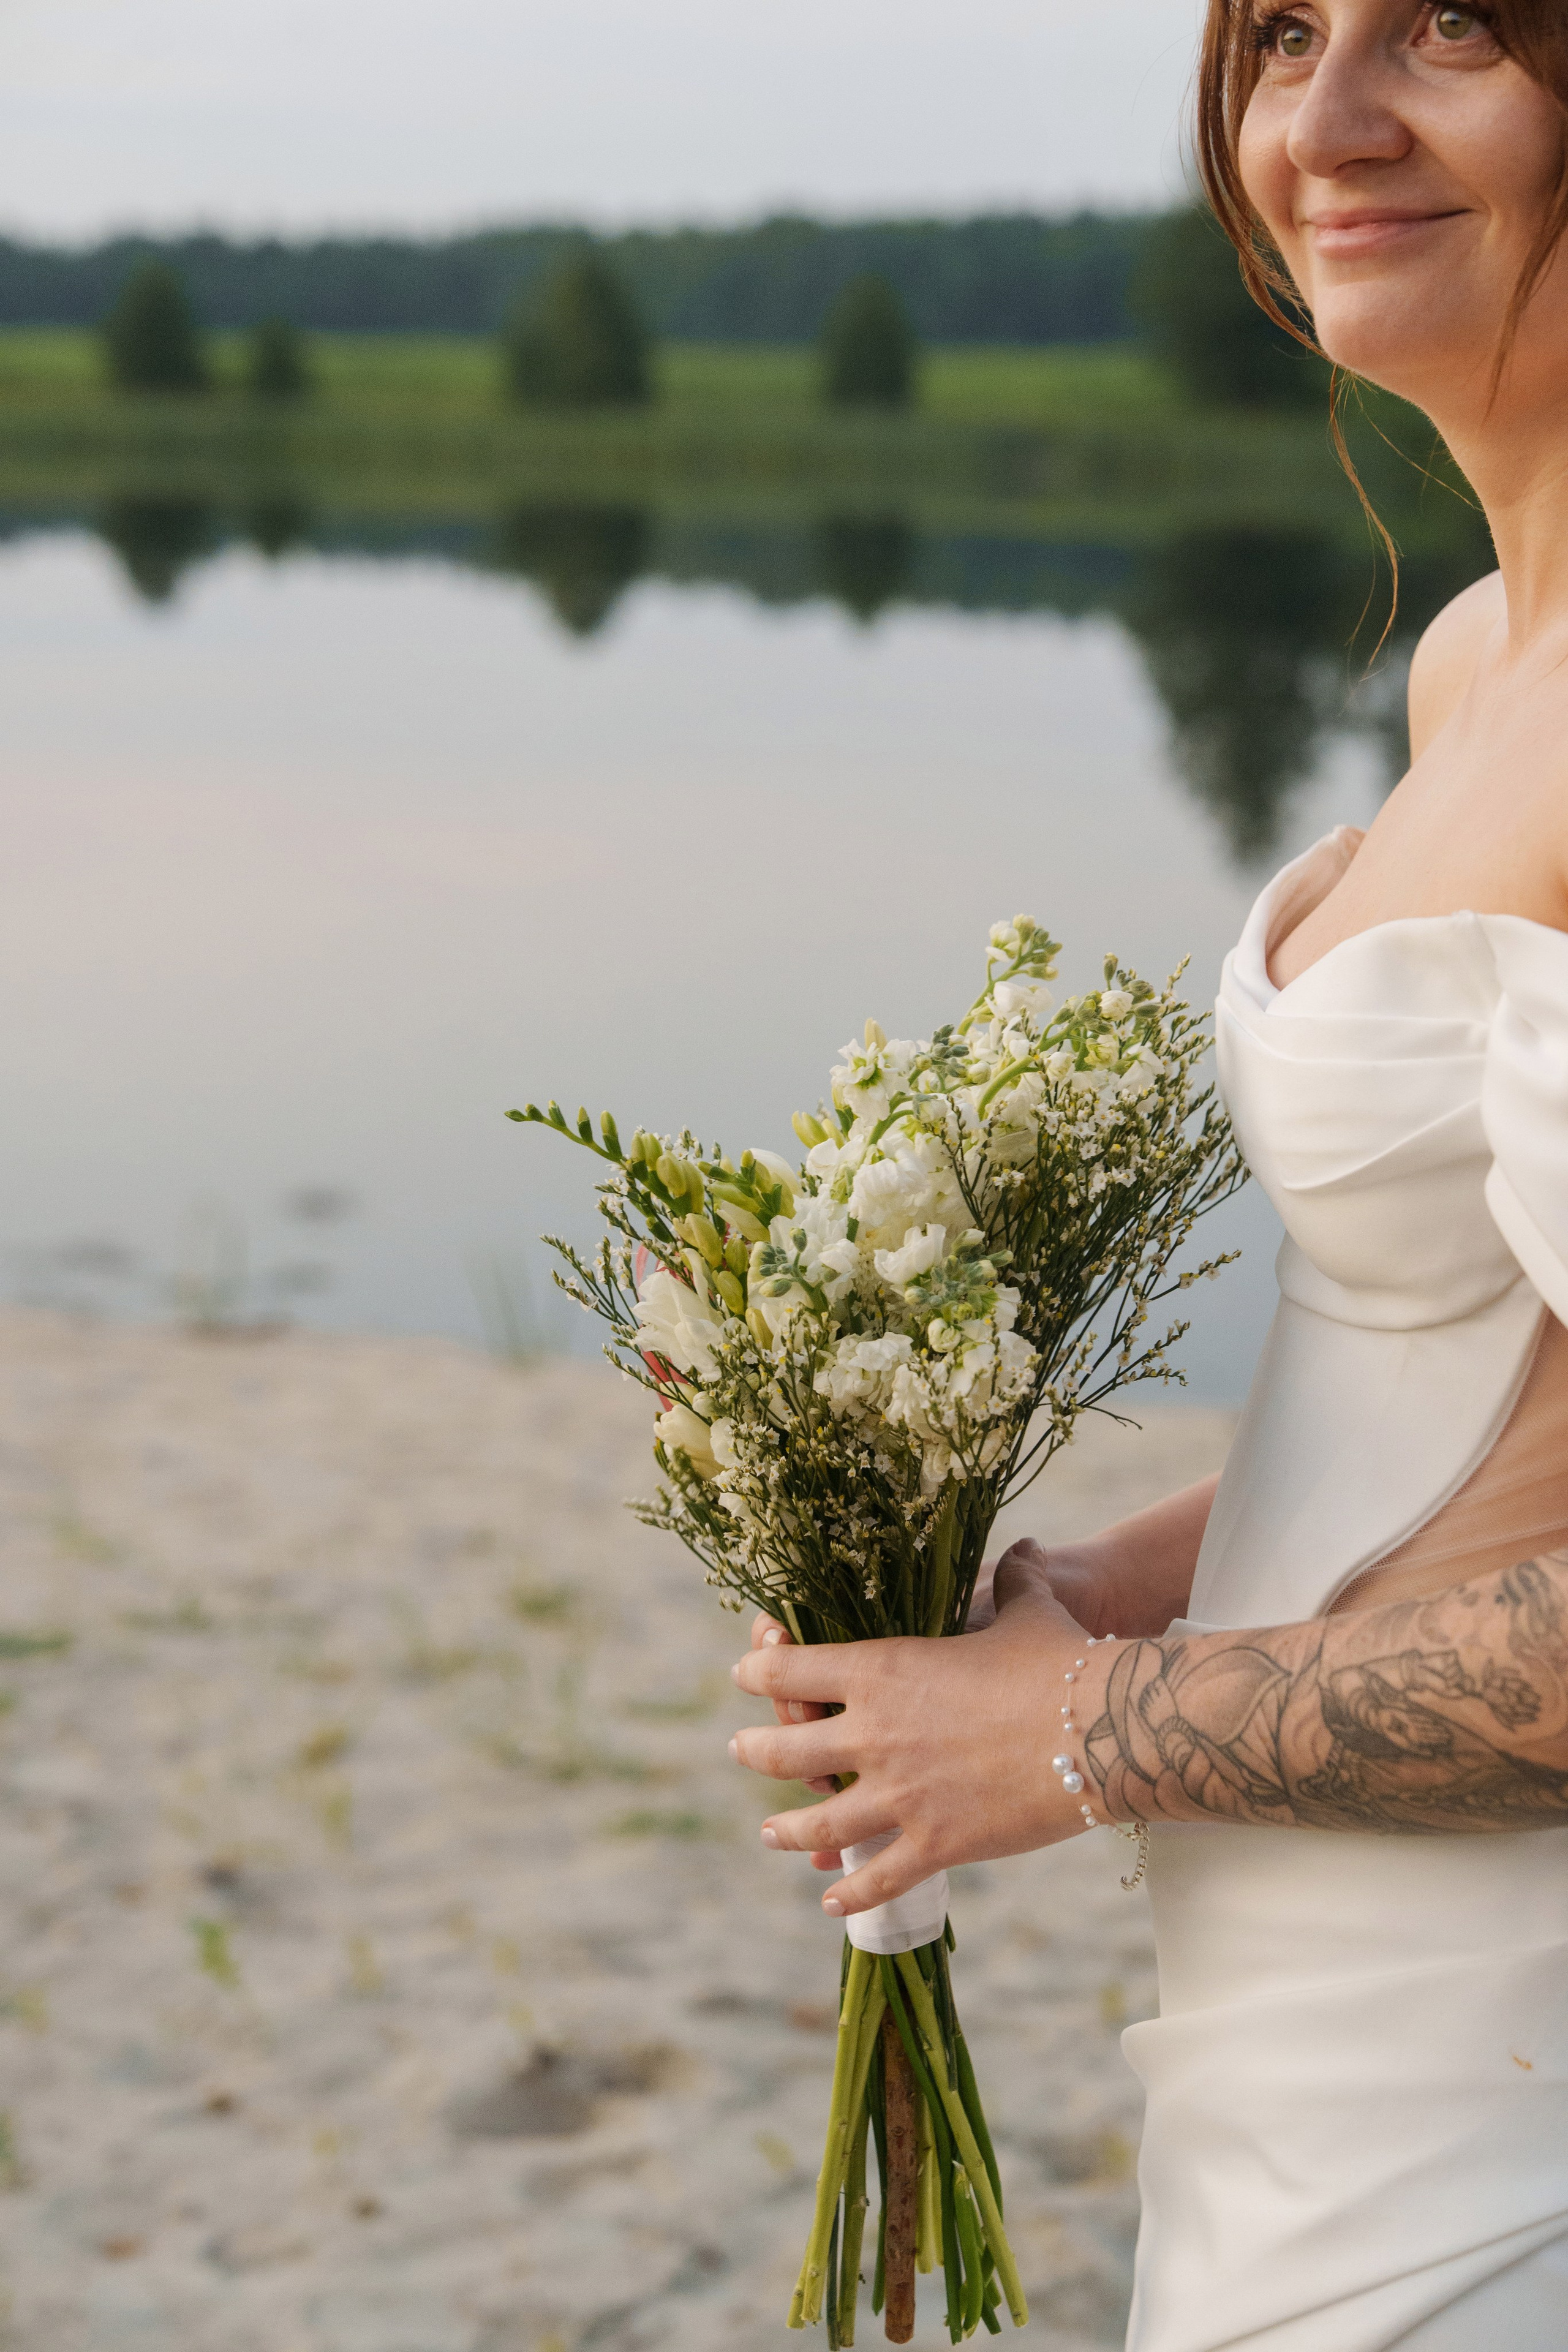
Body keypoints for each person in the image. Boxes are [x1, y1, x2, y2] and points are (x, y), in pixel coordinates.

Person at [727, 3, 1568, 2343]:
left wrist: (1073, 1743)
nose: (1326, 120)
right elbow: (1500, 1389)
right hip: (1327, 2011)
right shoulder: (1490, 653)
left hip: (1512, 2044)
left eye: (1460, 29)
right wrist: (1113, 1581)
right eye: (1285, 31)